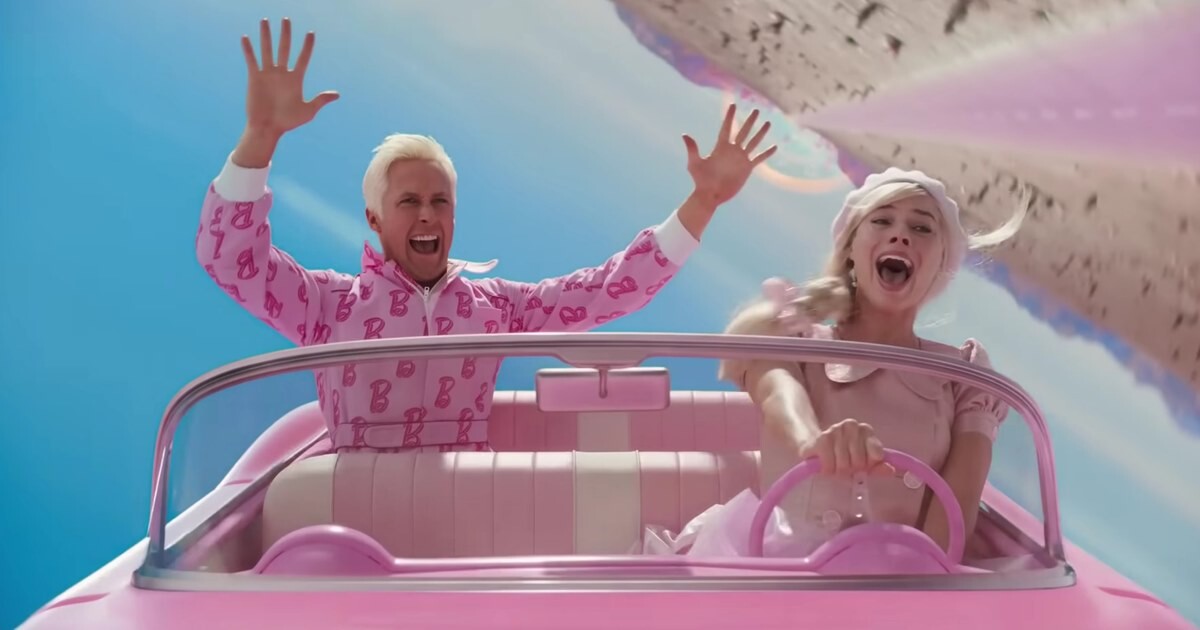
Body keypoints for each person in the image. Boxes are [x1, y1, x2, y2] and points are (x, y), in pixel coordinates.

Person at [196, 18, 777, 453]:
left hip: (463, 521)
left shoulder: (497, 309)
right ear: (374, 220)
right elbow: (231, 261)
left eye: (440, 202)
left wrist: (703, 202)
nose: (428, 215)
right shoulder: (327, 306)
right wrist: (261, 137)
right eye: (409, 202)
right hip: (357, 518)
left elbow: (610, 290)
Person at [638, 167, 1027, 558]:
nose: (900, 235)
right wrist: (812, 442)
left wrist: (911, 585)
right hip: (779, 567)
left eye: (922, 228)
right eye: (882, 220)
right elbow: (777, 395)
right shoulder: (791, 337)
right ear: (852, 249)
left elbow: (955, 515)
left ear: (942, 262)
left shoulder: (965, 376)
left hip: (904, 578)